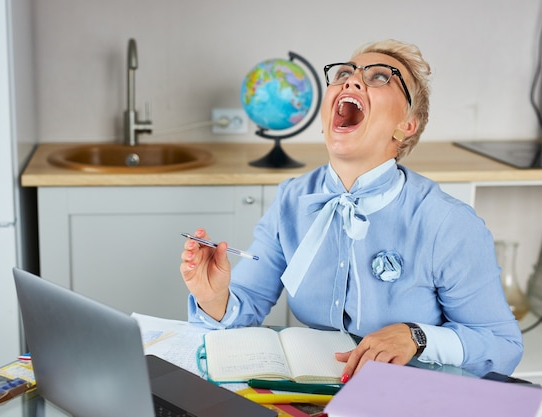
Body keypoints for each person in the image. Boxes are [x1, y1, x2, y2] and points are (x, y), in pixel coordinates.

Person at [179, 39, 523, 379]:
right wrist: (213, 297)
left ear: (406, 126)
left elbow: (502, 345)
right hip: (313, 394)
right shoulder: (291, 199)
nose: (352, 79)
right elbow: (249, 300)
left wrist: (417, 337)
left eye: (380, 77)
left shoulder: (447, 223)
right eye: (345, 72)